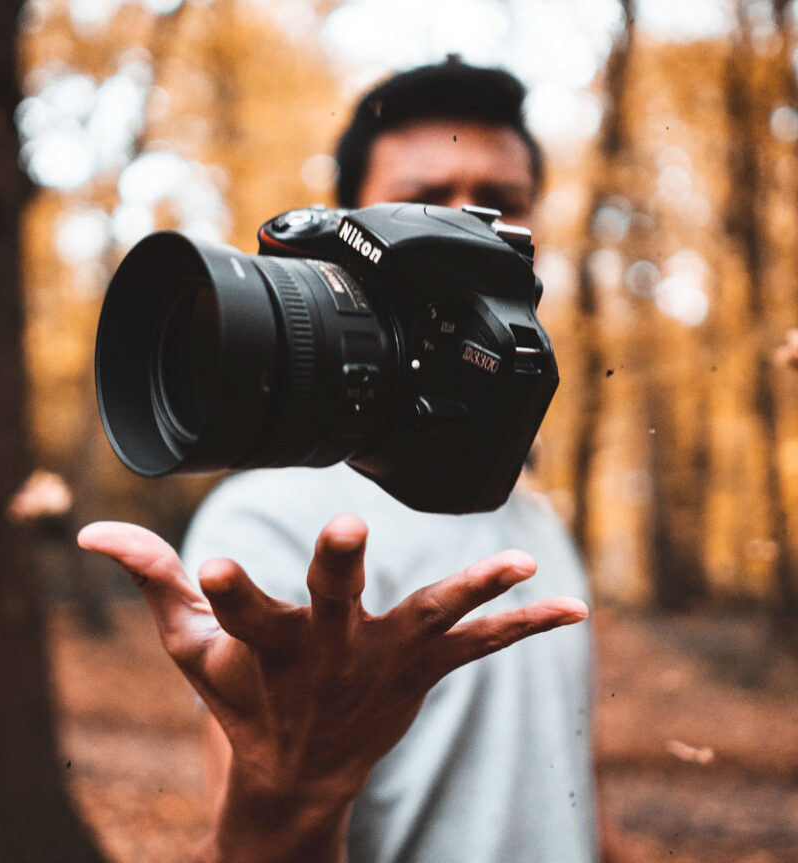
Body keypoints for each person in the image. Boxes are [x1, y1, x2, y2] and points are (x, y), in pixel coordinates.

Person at [80, 60, 599, 863]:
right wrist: (292, 790)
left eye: (503, 205)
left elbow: (545, 790)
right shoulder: (276, 520)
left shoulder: (526, 506)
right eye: (430, 202)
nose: (470, 230)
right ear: (357, 227)